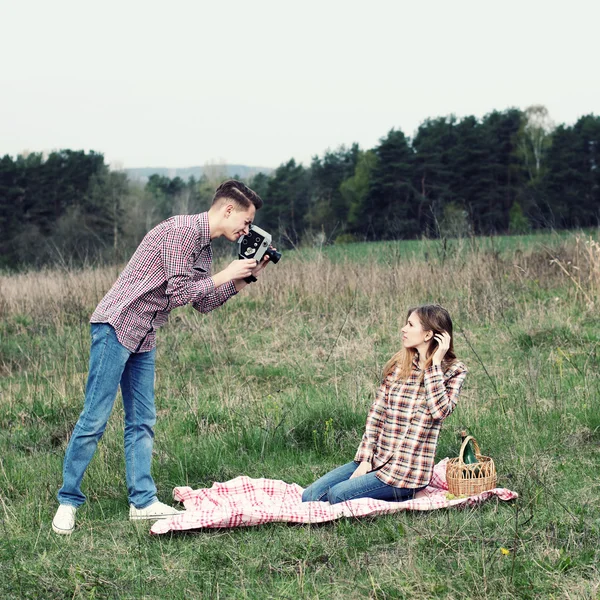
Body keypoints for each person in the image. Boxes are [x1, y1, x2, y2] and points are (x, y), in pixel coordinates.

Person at [52, 180, 271, 534]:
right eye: (245, 223)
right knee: (94, 418)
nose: (246, 231)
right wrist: (226, 273)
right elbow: (180, 291)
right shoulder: (180, 232)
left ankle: (142, 501)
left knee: (142, 419)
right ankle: (68, 500)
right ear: (227, 210)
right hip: (116, 325)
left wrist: (243, 278)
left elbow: (203, 302)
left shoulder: (204, 248)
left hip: (145, 333)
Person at [302, 304, 467, 504]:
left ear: (427, 335)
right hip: (377, 459)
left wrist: (433, 366)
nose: (403, 329)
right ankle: (379, 484)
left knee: (337, 495)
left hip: (406, 472)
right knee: (310, 496)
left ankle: (407, 493)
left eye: (410, 325)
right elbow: (377, 415)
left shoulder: (453, 371)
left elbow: (439, 412)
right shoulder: (400, 365)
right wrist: (365, 460)